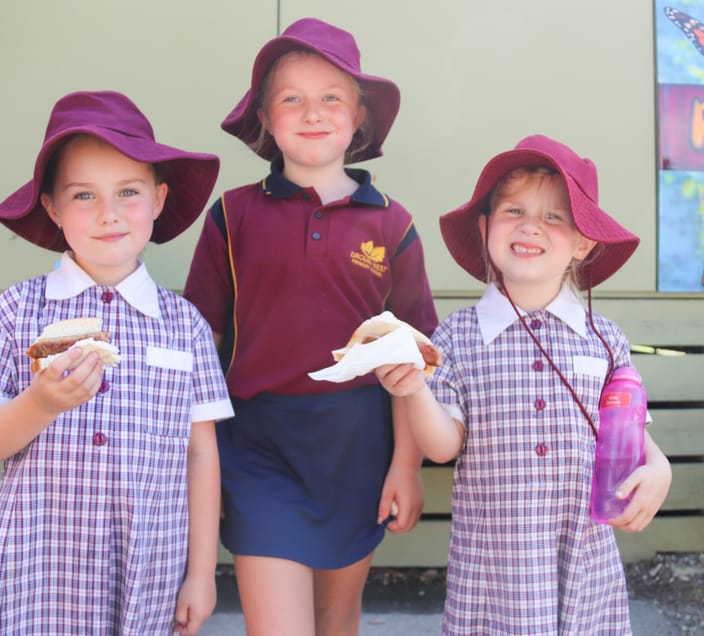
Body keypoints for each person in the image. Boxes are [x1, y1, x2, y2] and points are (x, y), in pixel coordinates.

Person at [0, 90, 234, 636]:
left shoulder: (184, 324)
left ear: (159, 198)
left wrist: (202, 573)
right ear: (51, 206)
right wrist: (39, 403)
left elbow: (201, 454)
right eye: (83, 195)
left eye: (128, 192)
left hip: (147, 569)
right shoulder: (14, 311)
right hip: (37, 571)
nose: (109, 213)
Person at [183, 17, 437, 636]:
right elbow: (199, 342)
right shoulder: (231, 216)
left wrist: (405, 464)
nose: (312, 112)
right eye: (291, 98)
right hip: (258, 446)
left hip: (357, 446)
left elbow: (412, 360)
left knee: (335, 620)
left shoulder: (392, 224)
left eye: (331, 98)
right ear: (266, 120)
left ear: (359, 120)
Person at [375, 134, 673, 635]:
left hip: (585, 567)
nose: (531, 226)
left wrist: (659, 468)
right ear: (487, 227)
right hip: (496, 578)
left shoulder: (605, 340)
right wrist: (412, 390)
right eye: (513, 210)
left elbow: (633, 437)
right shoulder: (458, 336)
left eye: (555, 216)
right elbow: (445, 445)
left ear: (584, 244)